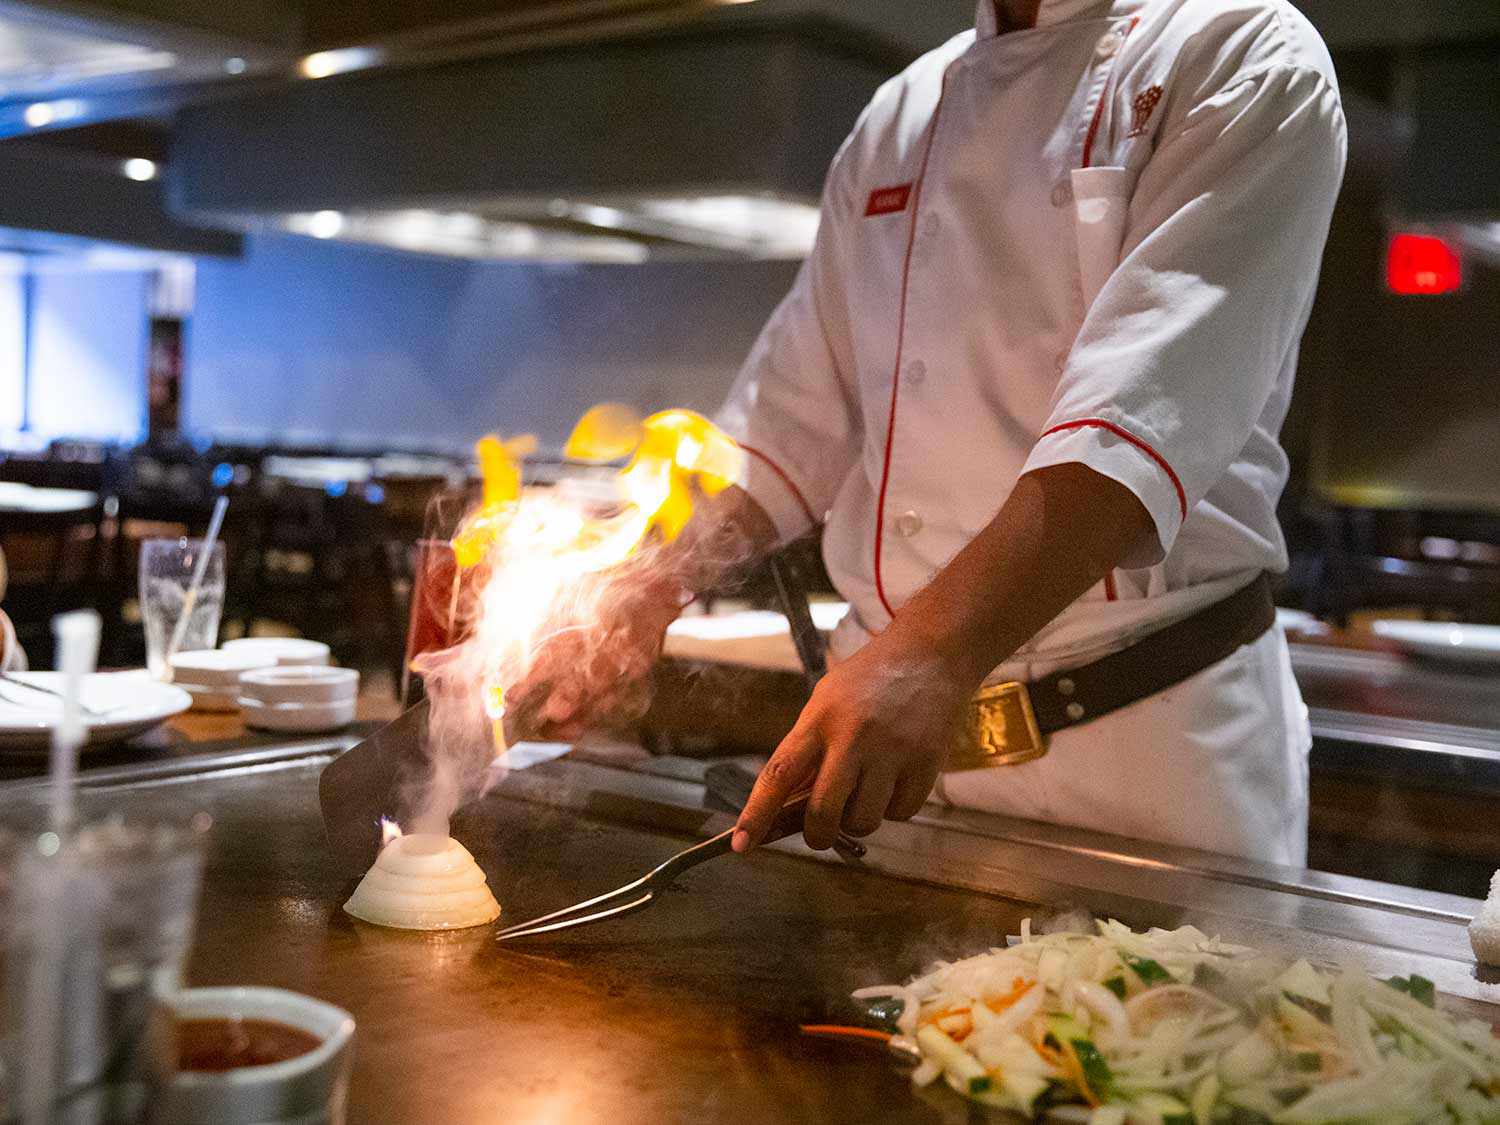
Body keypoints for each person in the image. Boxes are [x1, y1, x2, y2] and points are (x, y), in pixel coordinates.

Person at [514, 0, 1346, 866]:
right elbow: (782, 423)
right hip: (893, 767)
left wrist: (929, 654)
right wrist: (642, 591)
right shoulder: (902, 113)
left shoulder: (1242, 52)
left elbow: (1130, 436)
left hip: (1141, 758)